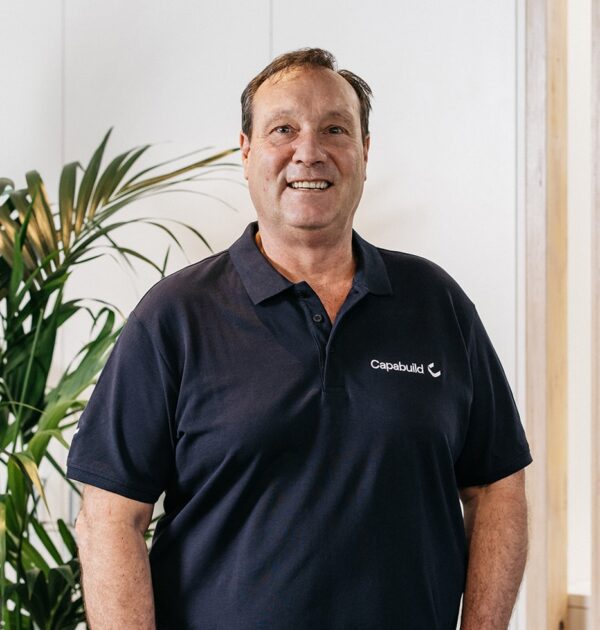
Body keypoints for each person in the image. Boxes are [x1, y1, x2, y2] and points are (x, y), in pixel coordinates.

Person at [67, 48, 532, 630]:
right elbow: (110, 517)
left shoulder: (435, 303)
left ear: (365, 151)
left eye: (335, 129)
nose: (309, 151)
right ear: (246, 152)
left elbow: (496, 487)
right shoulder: (175, 317)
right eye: (283, 129)